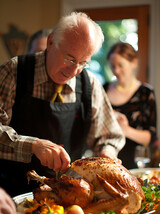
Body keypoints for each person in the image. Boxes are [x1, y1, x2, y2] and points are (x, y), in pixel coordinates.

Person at [0, 12, 125, 196]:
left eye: (83, 62)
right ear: (51, 42)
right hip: (11, 195)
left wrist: (107, 153)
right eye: (70, 59)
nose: (74, 70)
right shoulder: (14, 72)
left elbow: (110, 136)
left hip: (70, 198)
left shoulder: (89, 84)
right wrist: (34, 145)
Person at [104, 42, 157, 169]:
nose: (116, 71)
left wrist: (126, 130)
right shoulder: (104, 89)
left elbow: (150, 137)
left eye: (120, 65)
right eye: (113, 66)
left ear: (134, 62)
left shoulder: (145, 92)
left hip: (135, 164)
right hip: (107, 161)